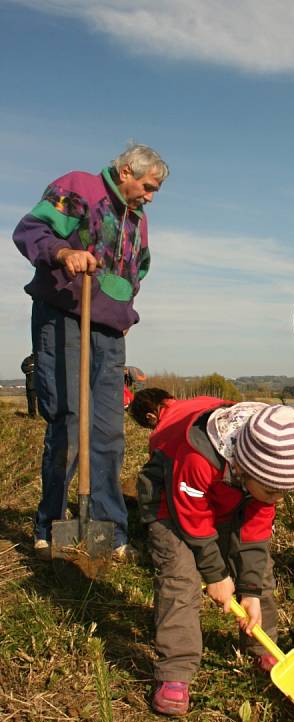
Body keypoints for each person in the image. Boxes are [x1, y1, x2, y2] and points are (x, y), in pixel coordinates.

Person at [12, 143, 169, 562]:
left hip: (110, 329)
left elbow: (142, 265)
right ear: (125, 172)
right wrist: (64, 253)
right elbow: (31, 230)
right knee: (68, 420)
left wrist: (123, 302)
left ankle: (109, 527)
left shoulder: (138, 219)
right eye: (148, 187)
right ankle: (49, 523)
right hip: (64, 314)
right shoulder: (78, 187)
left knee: (108, 430)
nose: (150, 197)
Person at [129, 389, 294, 717]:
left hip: (227, 491)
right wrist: (216, 575)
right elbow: (192, 519)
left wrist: (251, 593)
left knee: (258, 573)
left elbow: (255, 535)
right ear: (246, 469)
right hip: (170, 495)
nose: (276, 499)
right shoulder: (197, 457)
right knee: (180, 574)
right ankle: (175, 671)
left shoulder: (267, 467)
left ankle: (263, 646)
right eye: (272, 491)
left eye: (283, 492)